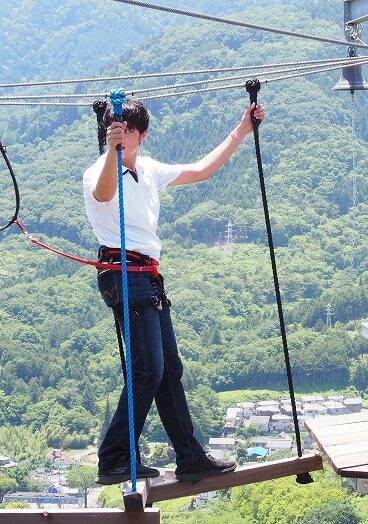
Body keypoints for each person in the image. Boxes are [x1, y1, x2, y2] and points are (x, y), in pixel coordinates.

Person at [83, 98, 266, 484]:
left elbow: (201, 170)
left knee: (168, 370)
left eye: (127, 128)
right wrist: (113, 154)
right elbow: (102, 194)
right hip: (123, 271)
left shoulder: (148, 169)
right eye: (114, 127)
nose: (119, 132)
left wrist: (241, 130)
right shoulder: (99, 172)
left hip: (146, 274)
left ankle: (190, 456)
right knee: (149, 369)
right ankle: (114, 457)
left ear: (141, 135)